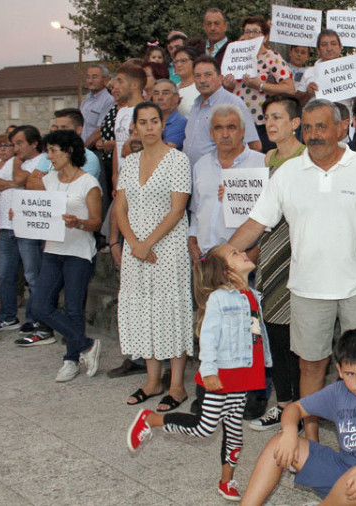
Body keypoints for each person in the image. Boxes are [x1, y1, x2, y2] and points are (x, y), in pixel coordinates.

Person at [229, 99, 356, 443]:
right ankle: (313, 442)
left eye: (322, 126)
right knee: (310, 366)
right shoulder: (287, 173)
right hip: (307, 289)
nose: (314, 134)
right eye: (308, 127)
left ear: (340, 129)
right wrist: (223, 256)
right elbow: (256, 223)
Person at [127, 243, 267, 502]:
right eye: (235, 253)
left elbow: (256, 333)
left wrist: (264, 360)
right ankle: (151, 420)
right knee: (204, 428)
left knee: (235, 433)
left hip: (243, 377)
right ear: (225, 272)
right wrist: (210, 370)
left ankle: (227, 481)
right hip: (220, 378)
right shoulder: (219, 299)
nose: (243, 253)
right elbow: (209, 337)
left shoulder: (252, 296)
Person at [241, 328, 356, 506]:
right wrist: (290, 432)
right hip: (346, 468)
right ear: (339, 370)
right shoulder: (338, 392)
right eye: (350, 374)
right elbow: (294, 409)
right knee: (279, 442)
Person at [115, 102, 193, 411]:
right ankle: (152, 380)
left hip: (167, 248)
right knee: (141, 310)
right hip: (136, 250)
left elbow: (177, 210)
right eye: (143, 122)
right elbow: (120, 207)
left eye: (154, 121)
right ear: (134, 127)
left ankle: (176, 385)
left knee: (170, 311)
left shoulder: (177, 160)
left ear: (162, 124)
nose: (149, 127)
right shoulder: (130, 162)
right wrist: (134, 243)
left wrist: (149, 243)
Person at [246, 94, 305, 433]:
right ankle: (283, 405)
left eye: (278, 117)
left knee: (296, 336)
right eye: (267, 117)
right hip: (269, 252)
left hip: (296, 253)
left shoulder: (305, 157)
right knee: (275, 333)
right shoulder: (266, 158)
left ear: (295, 123)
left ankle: (297, 409)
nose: (270, 123)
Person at [25, 130, 103, 381]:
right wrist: (22, 217)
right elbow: (37, 211)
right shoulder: (48, 180)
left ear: (68, 151)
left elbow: (96, 222)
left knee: (73, 308)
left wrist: (78, 223)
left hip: (78, 252)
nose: (49, 156)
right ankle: (86, 344)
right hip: (52, 250)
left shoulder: (88, 182)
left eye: (52, 150)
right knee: (40, 305)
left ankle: (71, 359)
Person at [0, 125, 49, 336]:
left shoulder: (42, 160)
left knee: (32, 275)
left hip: (28, 226)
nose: (15, 148)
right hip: (6, 226)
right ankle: (7, 317)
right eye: (13, 144)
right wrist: (13, 180)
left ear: (34, 143)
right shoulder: (14, 162)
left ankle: (35, 319)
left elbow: (23, 180)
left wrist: (15, 172)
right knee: (4, 275)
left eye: (19, 143)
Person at [188, 104, 266, 259]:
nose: (224, 134)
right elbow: (197, 210)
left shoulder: (261, 164)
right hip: (205, 259)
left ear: (243, 132)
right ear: (211, 133)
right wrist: (192, 240)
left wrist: (255, 252)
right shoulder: (201, 165)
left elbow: (268, 217)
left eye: (231, 128)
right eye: (218, 128)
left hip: (242, 260)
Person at [224, 16, 295, 153]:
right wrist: (228, 86)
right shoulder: (235, 58)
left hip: (264, 123)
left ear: (265, 37)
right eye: (247, 31)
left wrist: (260, 86)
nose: (251, 35)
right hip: (240, 121)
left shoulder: (271, 57)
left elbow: (290, 88)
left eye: (255, 31)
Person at [183, 56, 262, 166]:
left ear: (220, 78)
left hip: (220, 174)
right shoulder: (196, 104)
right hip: (195, 175)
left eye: (208, 75)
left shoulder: (233, 104)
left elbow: (254, 146)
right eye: (197, 76)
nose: (202, 80)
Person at [32, 109, 101, 180]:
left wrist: (46, 180)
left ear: (79, 130)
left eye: (64, 127)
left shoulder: (89, 158)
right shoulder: (50, 153)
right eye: (57, 128)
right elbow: (32, 181)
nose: (58, 132)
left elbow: (76, 186)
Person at [80, 64, 115, 148]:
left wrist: (83, 148)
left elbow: (100, 130)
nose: (90, 81)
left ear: (106, 80)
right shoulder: (86, 101)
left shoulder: (108, 100)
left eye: (94, 77)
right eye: (88, 77)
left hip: (94, 149)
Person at [151, 79, 187, 150]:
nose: (160, 97)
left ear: (176, 97)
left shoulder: (181, 123)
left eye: (165, 93)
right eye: (156, 93)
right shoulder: (147, 120)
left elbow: (162, 151)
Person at [172, 47, 200, 119]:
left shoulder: (200, 87)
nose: (179, 65)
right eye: (176, 62)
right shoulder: (173, 88)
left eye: (183, 61)